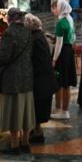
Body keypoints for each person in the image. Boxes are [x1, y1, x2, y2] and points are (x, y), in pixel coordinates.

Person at [0, 7, 36, 154]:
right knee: (26, 112)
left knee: (14, 113)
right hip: (27, 76)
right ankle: (25, 143)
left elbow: (3, 58)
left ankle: (14, 145)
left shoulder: (9, 33)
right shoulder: (28, 31)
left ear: (9, 19)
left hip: (12, 78)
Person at [25, 13, 57, 145]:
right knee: (38, 107)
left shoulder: (35, 38)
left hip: (41, 80)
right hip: (45, 79)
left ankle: (38, 133)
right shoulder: (39, 35)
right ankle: (37, 131)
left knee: (38, 107)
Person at [51, 0, 77, 119]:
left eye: (54, 8)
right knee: (64, 82)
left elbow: (59, 44)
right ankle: (61, 109)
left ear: (60, 7)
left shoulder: (61, 22)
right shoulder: (70, 19)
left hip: (62, 53)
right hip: (69, 51)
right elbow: (72, 37)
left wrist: (54, 59)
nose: (53, 11)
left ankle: (62, 110)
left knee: (60, 82)